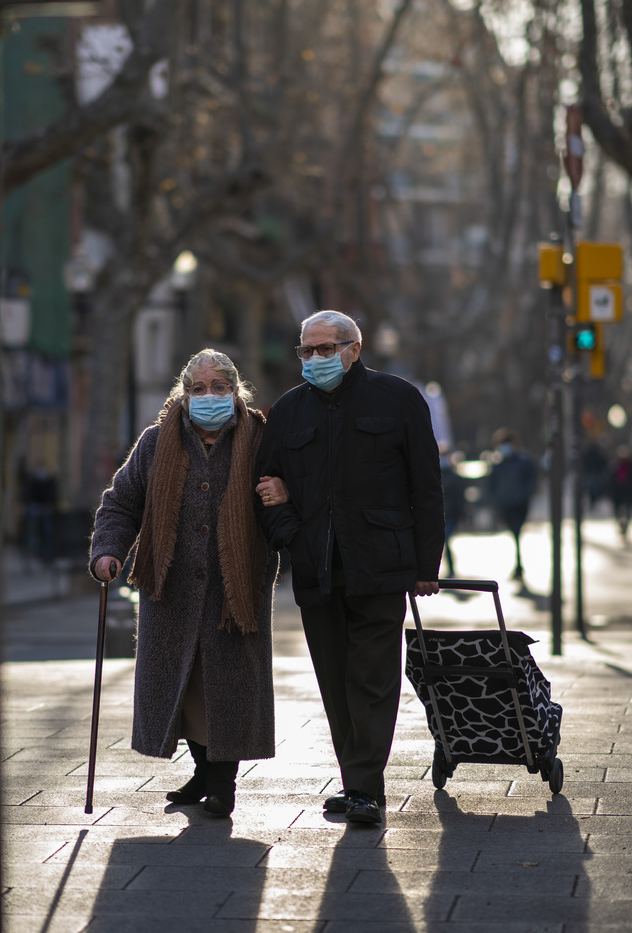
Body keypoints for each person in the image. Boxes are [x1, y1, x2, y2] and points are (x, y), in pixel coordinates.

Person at [254, 310, 444, 826]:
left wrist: (427, 564)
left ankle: (364, 788)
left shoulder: (398, 399)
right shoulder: (288, 413)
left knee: (372, 678)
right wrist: (290, 534)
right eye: (306, 351)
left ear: (354, 349)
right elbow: (265, 491)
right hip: (317, 567)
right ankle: (356, 781)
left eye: (325, 349)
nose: (315, 359)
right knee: (335, 680)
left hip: (382, 564)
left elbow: (426, 487)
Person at [88, 349, 278, 817]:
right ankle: (202, 772)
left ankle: (222, 784)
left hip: (236, 592)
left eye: (218, 387)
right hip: (169, 590)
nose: (208, 396)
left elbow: (290, 499)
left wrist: (284, 495)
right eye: (198, 388)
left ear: (235, 392)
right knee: (184, 686)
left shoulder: (261, 441)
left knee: (229, 689)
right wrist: (107, 551)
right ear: (183, 393)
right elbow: (121, 503)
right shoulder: (156, 443)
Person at [486, 428, 538, 582]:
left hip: (519, 504)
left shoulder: (524, 462)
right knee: (514, 532)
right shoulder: (498, 464)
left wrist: (523, 495)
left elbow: (532, 481)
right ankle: (518, 563)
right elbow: (491, 485)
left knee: (516, 531)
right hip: (505, 504)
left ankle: (518, 564)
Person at [440, 447, 469, 579]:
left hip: (451, 514)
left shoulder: (454, 477)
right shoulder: (434, 476)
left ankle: (451, 568)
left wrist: (461, 513)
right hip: (440, 515)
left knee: (446, 538)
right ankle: (449, 567)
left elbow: (460, 497)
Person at [611, 445, 632, 542]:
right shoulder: (615, 466)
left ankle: (625, 527)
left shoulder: (631, 467)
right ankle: (621, 526)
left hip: (628, 492)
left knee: (628, 511)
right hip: (619, 492)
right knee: (618, 512)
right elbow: (612, 480)